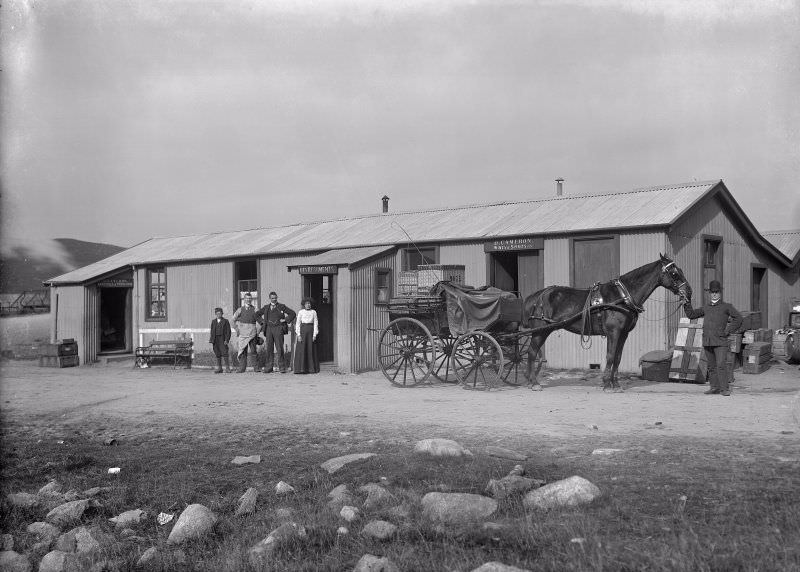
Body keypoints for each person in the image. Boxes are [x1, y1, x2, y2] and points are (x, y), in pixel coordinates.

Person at [683, 280, 742, 396]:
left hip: (720, 342)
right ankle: (714, 387)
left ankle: (724, 388)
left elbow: (738, 318)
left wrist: (728, 330)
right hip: (708, 341)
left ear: (720, 293)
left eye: (716, 292)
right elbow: (691, 315)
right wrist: (686, 303)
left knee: (721, 365)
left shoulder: (726, 307)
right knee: (711, 367)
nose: (714, 294)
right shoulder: (706, 307)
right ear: (709, 293)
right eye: (712, 292)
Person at [257, 291, 296, 373]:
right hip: (269, 329)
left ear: (277, 298)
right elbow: (256, 315)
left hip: (278, 328)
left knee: (279, 348)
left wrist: (285, 320)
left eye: (275, 298)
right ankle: (269, 367)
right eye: (272, 298)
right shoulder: (266, 307)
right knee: (269, 349)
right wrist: (262, 322)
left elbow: (292, 313)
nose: (274, 299)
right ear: (269, 298)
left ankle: (282, 367)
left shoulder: (281, 306)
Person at [232, 293, 262, 373]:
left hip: (252, 333)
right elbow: (233, 320)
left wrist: (257, 332)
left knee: (253, 351)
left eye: (250, 298)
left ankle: (256, 368)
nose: (248, 300)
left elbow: (260, 322)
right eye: (247, 298)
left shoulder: (255, 309)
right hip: (243, 334)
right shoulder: (240, 309)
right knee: (242, 351)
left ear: (251, 299)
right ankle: (242, 368)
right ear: (244, 299)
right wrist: (237, 330)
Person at [294, 297, 320, 374]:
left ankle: (311, 369)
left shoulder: (314, 312)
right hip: (302, 332)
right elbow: (298, 323)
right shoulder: (301, 312)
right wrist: (298, 335)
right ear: (304, 305)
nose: (308, 305)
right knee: (302, 349)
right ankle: (301, 369)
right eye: (306, 304)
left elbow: (316, 323)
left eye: (309, 303)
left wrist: (315, 334)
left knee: (310, 349)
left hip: (311, 332)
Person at [208, 307, 232, 374]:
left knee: (224, 352)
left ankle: (227, 368)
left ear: (222, 314)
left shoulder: (225, 321)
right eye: (217, 313)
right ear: (215, 314)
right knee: (217, 353)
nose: (219, 315)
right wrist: (212, 340)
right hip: (215, 339)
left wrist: (227, 340)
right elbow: (212, 331)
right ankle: (219, 368)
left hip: (222, 338)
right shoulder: (213, 321)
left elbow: (228, 331)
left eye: (220, 313)